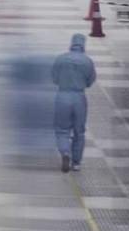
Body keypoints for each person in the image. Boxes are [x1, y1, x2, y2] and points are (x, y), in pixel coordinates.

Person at [50, 33, 96, 173]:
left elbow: (54, 78)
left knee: (62, 130)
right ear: (83, 45)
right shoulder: (87, 61)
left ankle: (65, 152)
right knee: (79, 132)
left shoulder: (61, 59)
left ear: (71, 44)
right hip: (79, 98)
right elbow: (90, 81)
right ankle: (76, 163)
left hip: (62, 96)